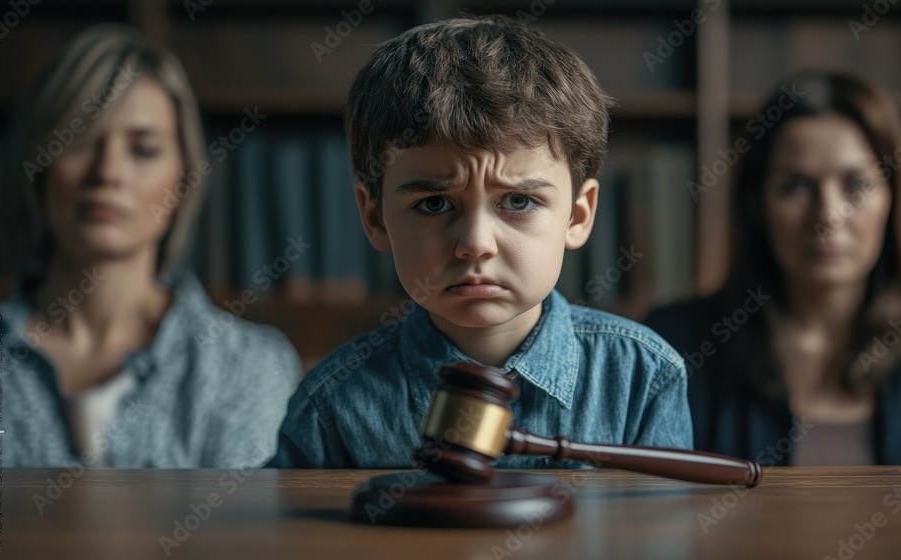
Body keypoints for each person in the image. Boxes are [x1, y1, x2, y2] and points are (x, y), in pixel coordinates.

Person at [268, 16, 692, 468]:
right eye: (434, 205)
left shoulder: (642, 377)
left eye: (518, 201)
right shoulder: (331, 403)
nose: (474, 244)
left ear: (578, 214)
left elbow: (662, 534)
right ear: (375, 217)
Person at [0, 24, 301, 468]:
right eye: (79, 139)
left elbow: (238, 535)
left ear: (183, 183)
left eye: (143, 149)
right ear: (40, 166)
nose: (108, 172)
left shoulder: (248, 367)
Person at [646, 71, 901, 466]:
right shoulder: (674, 346)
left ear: (894, 198)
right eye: (796, 186)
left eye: (857, 185)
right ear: (757, 203)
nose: (827, 216)